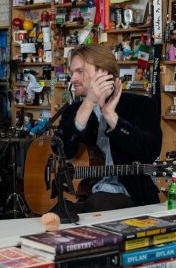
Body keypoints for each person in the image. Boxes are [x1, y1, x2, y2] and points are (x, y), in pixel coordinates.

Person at [58, 45, 162, 211]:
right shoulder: (73, 111)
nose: (73, 78)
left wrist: (110, 115)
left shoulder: (141, 105)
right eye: (72, 72)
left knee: (98, 204)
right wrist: (88, 104)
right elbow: (61, 151)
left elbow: (150, 151)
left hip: (129, 196)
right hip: (80, 193)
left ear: (103, 73)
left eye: (80, 71)